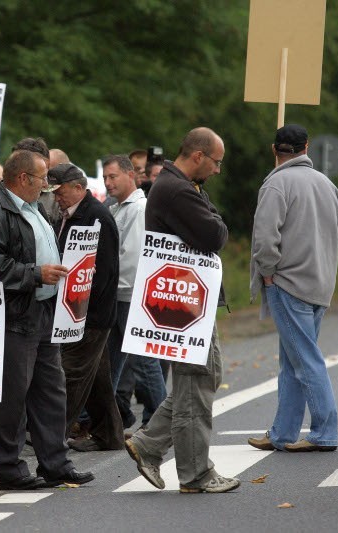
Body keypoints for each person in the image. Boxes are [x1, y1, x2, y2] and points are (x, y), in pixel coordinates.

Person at [124, 128, 238, 494]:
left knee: (206, 374)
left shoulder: (184, 186)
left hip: (190, 298)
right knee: (195, 382)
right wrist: (213, 219)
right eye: (217, 162)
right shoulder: (176, 189)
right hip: (183, 302)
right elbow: (216, 234)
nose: (219, 170)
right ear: (199, 155)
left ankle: (149, 444)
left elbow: (211, 226)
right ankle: (195, 474)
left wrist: (209, 212)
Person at [0, 148, 93, 490]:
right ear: (24, 178)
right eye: (43, 177)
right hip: (15, 314)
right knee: (13, 396)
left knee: (51, 392)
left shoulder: (36, 207)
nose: (48, 183)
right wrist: (35, 274)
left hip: (43, 311)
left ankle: (55, 463)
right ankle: (11, 470)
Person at [247, 124, 338, 453]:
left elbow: (264, 239)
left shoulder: (276, 183)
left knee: (305, 360)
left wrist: (269, 274)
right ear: (306, 147)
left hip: (288, 284)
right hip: (320, 284)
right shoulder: (328, 185)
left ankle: (324, 432)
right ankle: (282, 433)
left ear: (275, 149)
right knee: (292, 362)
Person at [46, 164, 123, 453]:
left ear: (78, 188)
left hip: (88, 315)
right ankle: (109, 435)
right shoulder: (70, 214)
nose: (57, 198)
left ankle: (51, 436)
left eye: (61, 192)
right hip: (75, 311)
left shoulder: (96, 216)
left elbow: (102, 272)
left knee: (72, 374)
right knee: (97, 379)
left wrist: (81, 312)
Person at [103, 155, 166, 432]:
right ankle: (107, 421)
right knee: (112, 362)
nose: (107, 182)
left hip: (130, 294)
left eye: (112, 176)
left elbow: (132, 258)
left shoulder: (138, 209)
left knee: (144, 361)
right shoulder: (119, 208)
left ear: (131, 175)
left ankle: (162, 421)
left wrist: (107, 285)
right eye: (105, 177)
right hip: (120, 295)